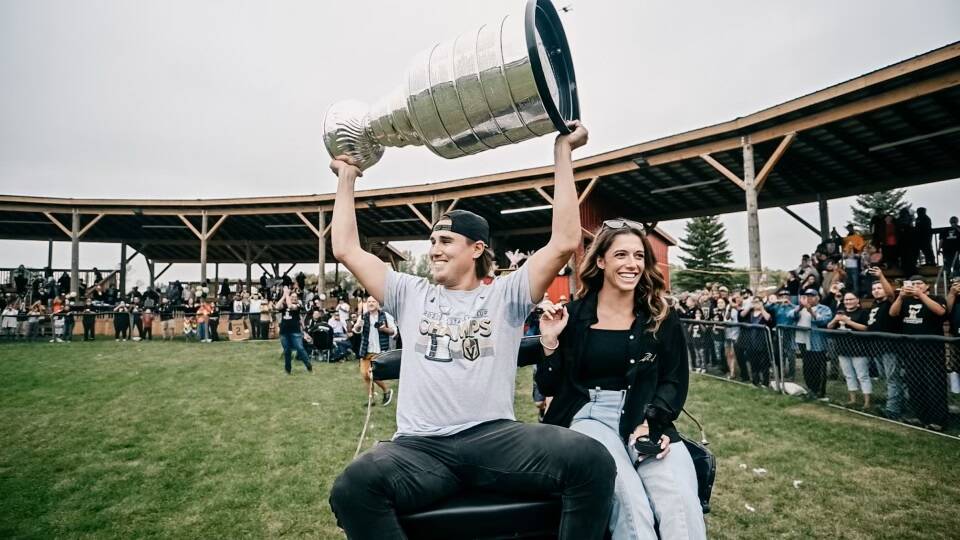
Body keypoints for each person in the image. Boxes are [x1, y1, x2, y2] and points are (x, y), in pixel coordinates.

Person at [328, 122, 617, 540]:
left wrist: (563, 153)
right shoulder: (409, 293)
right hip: (419, 448)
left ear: (477, 249)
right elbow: (346, 249)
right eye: (432, 242)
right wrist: (347, 179)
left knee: (591, 460)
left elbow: (564, 240)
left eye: (446, 241)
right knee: (353, 487)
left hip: (493, 438)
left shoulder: (506, 295)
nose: (434, 249)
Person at [534, 219, 706, 539]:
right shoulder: (572, 316)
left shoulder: (660, 316)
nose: (632, 264)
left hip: (644, 417)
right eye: (621, 255)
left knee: (680, 502)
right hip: (588, 419)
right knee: (630, 504)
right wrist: (550, 342)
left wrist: (653, 421)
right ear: (600, 261)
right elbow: (549, 386)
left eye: (639, 256)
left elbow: (674, 380)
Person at [889, 276, 948, 430]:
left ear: (926, 286)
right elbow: (893, 314)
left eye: (919, 284)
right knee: (915, 384)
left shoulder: (936, 297)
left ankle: (938, 420)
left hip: (932, 349)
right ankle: (920, 416)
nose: (915, 286)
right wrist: (901, 297)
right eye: (912, 284)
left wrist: (921, 295)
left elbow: (941, 311)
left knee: (934, 384)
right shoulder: (905, 300)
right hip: (911, 350)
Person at [865, 268, 903, 419]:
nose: (876, 291)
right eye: (874, 289)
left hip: (890, 347)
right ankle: (892, 402)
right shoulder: (874, 304)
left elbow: (890, 294)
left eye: (879, 287)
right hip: (876, 347)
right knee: (886, 378)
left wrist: (881, 276)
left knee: (893, 378)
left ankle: (893, 409)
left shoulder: (890, 302)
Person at [828, 292, 871, 409]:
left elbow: (865, 328)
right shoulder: (841, 312)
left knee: (862, 375)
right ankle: (853, 399)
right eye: (846, 300)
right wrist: (835, 320)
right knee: (848, 375)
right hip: (842, 348)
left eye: (851, 299)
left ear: (857, 300)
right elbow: (829, 327)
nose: (848, 302)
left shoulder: (863, 312)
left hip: (859, 349)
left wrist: (848, 322)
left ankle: (867, 402)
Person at [351, 296, 396, 406]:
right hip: (366, 349)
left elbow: (394, 332)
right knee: (365, 375)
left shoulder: (385, 316)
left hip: (379, 350)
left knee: (372, 375)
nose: (371, 303)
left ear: (378, 304)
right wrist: (358, 326)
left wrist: (384, 329)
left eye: (373, 301)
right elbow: (356, 331)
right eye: (369, 302)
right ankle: (371, 400)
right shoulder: (363, 316)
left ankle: (386, 390)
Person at [798, 289, 833, 399]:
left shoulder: (824, 308)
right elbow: (790, 316)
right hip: (803, 342)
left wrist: (811, 312)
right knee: (807, 367)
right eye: (807, 296)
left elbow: (824, 321)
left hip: (817, 343)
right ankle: (811, 390)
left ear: (818, 297)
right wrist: (800, 307)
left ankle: (820, 393)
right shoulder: (800, 308)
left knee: (818, 368)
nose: (809, 298)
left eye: (812, 296)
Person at [276, 288, 312, 374]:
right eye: (292, 296)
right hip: (284, 332)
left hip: (295, 332)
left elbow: (290, 306)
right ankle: (287, 370)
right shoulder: (284, 305)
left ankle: (308, 366)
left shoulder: (299, 305)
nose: (294, 298)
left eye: (295, 297)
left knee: (300, 348)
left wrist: (287, 294)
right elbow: (277, 306)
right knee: (287, 351)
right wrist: (284, 295)